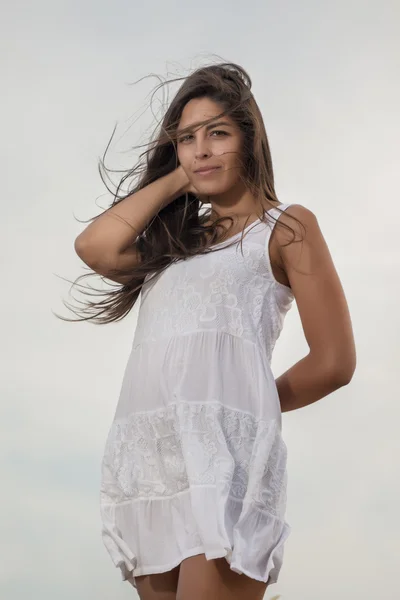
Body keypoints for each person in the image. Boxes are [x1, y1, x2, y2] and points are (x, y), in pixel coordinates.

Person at [73, 62, 356, 600]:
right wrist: (184, 175)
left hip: (222, 456)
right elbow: (96, 248)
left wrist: (242, 402)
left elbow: (334, 362)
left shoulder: (287, 227)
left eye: (218, 134)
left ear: (250, 141)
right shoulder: (178, 241)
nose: (202, 148)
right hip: (149, 459)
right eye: (187, 138)